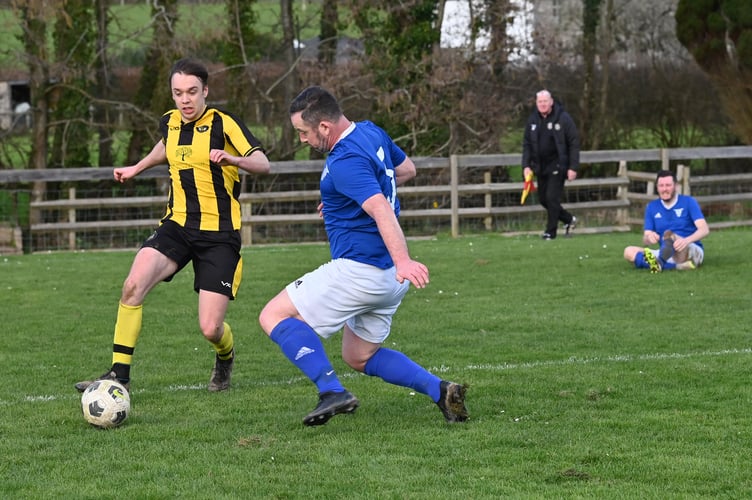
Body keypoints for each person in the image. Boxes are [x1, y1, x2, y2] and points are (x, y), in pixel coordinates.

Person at [258, 86, 469, 426]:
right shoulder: (372, 132)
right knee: (359, 355)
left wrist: (404, 259)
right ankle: (441, 390)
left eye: (304, 132)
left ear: (325, 127)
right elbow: (407, 170)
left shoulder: (344, 161)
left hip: (361, 269)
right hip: (389, 281)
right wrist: (346, 199)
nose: (302, 140)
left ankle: (331, 391)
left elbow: (381, 208)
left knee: (273, 315)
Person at [75, 58, 270, 393]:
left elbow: (263, 164)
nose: (185, 100)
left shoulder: (224, 124)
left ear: (205, 91)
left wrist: (234, 159)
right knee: (133, 285)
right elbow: (166, 147)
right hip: (176, 226)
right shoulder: (170, 122)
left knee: (210, 328)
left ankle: (225, 355)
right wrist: (136, 168)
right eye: (178, 93)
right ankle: (118, 375)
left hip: (219, 235)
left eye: (192, 92)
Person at [521, 89, 580, 239]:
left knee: (552, 198)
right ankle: (568, 219)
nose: (542, 104)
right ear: (536, 103)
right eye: (540, 102)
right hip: (540, 166)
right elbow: (527, 144)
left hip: (558, 165)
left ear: (551, 102)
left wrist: (573, 167)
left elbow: (573, 142)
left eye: (545, 101)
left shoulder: (563, 118)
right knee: (543, 199)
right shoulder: (533, 120)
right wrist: (526, 166)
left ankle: (550, 232)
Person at [624, 170, 708, 272]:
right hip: (666, 252)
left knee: (669, 233)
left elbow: (704, 230)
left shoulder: (689, 202)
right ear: (657, 187)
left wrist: (686, 241)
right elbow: (645, 238)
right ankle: (673, 266)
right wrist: (649, 238)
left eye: (668, 185)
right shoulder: (651, 207)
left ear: (676, 186)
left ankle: (659, 263)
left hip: (689, 250)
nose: (664, 189)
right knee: (628, 251)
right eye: (661, 186)